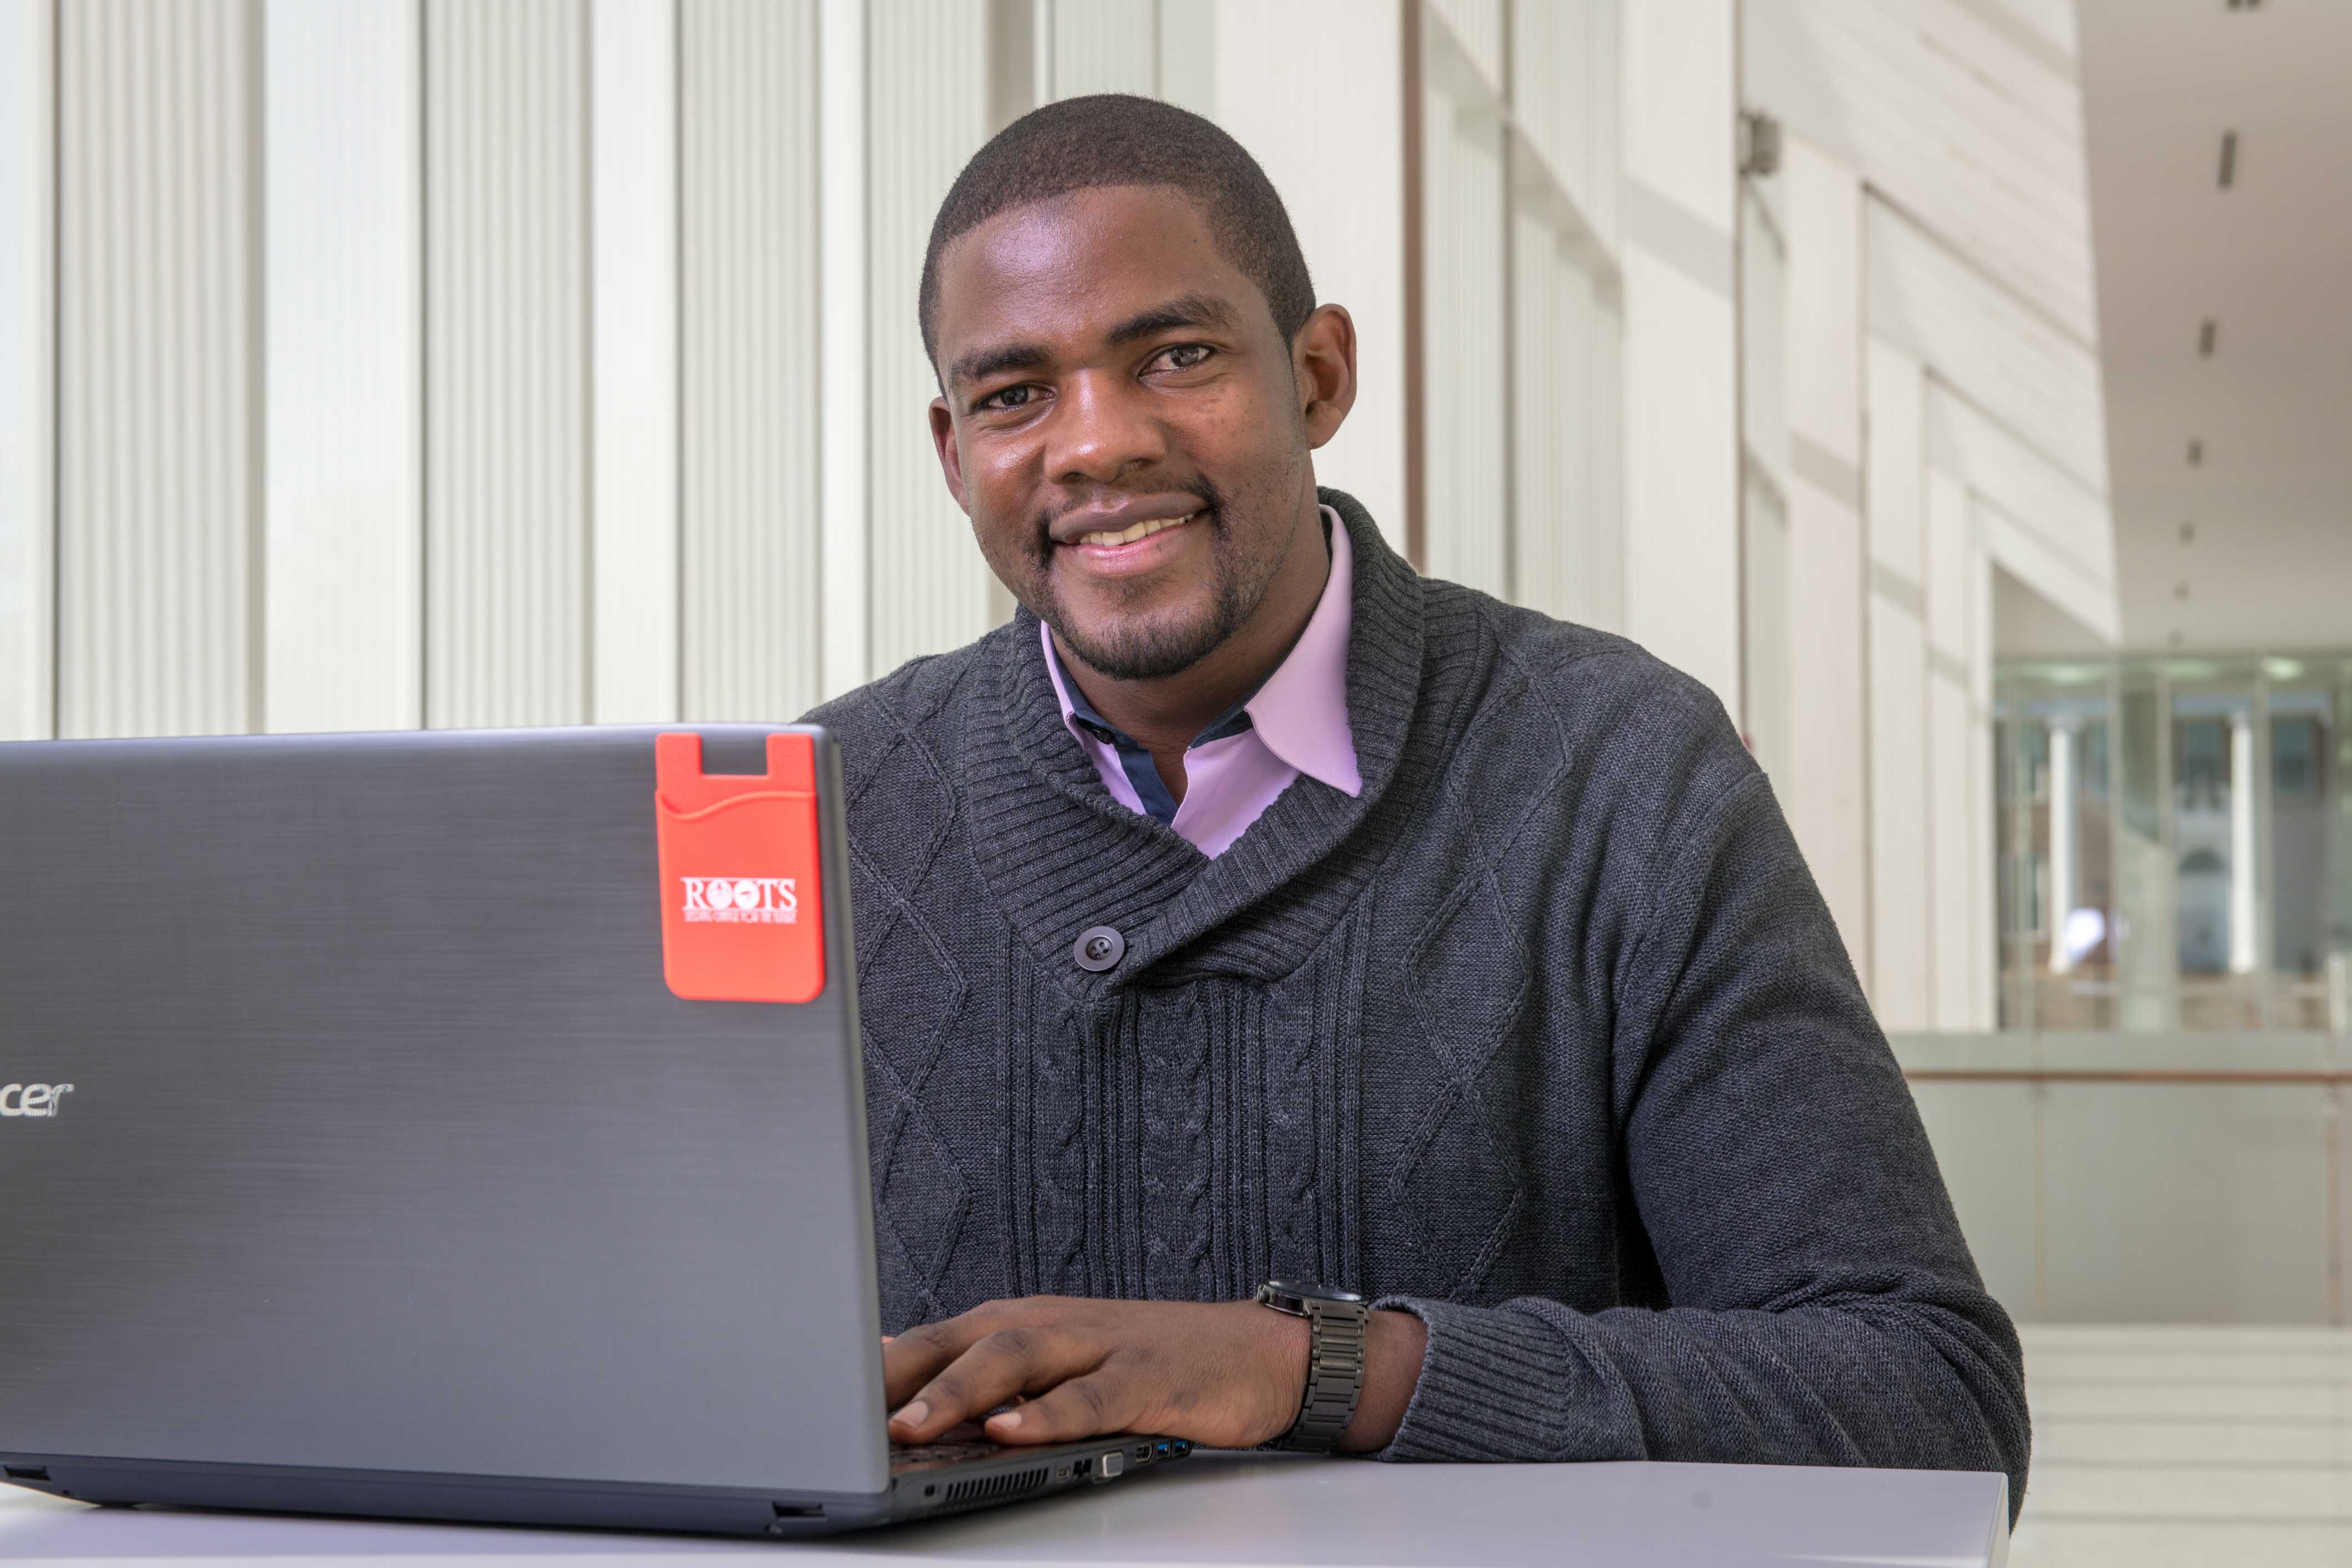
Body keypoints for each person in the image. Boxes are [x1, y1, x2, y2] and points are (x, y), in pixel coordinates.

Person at [809, 93, 2029, 1511]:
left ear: (1317, 375)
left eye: (1178, 354)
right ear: (956, 455)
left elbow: (1925, 1398)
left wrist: (1315, 1368)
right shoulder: (823, 816)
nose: (1096, 442)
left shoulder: (1619, 772)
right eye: (1018, 395)